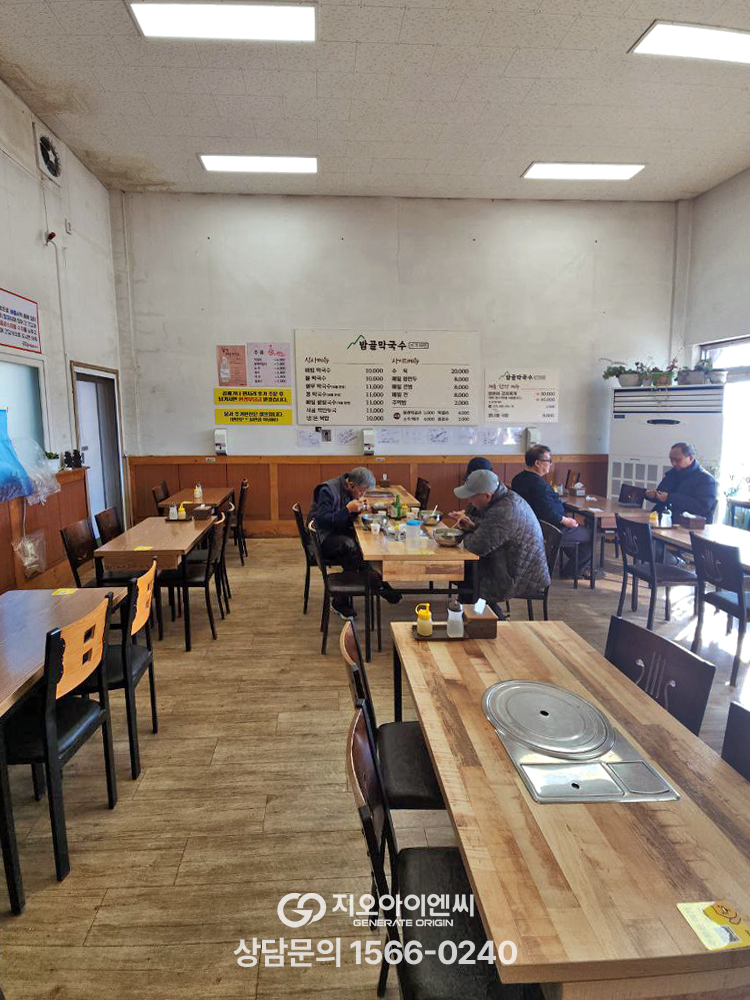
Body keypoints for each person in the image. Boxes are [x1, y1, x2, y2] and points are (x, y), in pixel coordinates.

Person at [448, 468, 550, 618]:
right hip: (510, 562)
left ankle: (488, 620)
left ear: (487, 496)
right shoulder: (504, 498)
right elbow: (493, 531)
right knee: (466, 574)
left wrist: (462, 536)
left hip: (519, 573)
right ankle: (472, 616)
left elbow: (478, 546)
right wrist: (473, 527)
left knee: (468, 576)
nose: (469, 501)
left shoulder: (505, 509)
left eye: (471, 497)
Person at [307, 466, 401, 618]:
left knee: (357, 548)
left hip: (337, 532)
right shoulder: (327, 490)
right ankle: (374, 584)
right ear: (351, 485)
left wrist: (358, 510)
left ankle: (373, 583)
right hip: (321, 539)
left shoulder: (349, 489)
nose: (362, 495)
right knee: (350, 548)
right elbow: (323, 521)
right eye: (361, 492)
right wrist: (347, 510)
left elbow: (343, 519)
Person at [511, 444, 593, 577]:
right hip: (550, 529)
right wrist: (565, 520)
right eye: (548, 460)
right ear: (537, 463)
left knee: (576, 534)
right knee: (591, 535)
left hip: (531, 526)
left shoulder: (518, 479)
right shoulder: (539, 484)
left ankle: (580, 568)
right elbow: (546, 513)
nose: (550, 464)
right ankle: (571, 571)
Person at [645, 442, 718, 522]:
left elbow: (702, 506)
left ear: (691, 458)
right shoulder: (673, 473)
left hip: (689, 524)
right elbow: (662, 494)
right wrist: (654, 495)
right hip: (665, 519)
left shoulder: (706, 479)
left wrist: (670, 497)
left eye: (677, 460)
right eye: (671, 459)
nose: (673, 463)